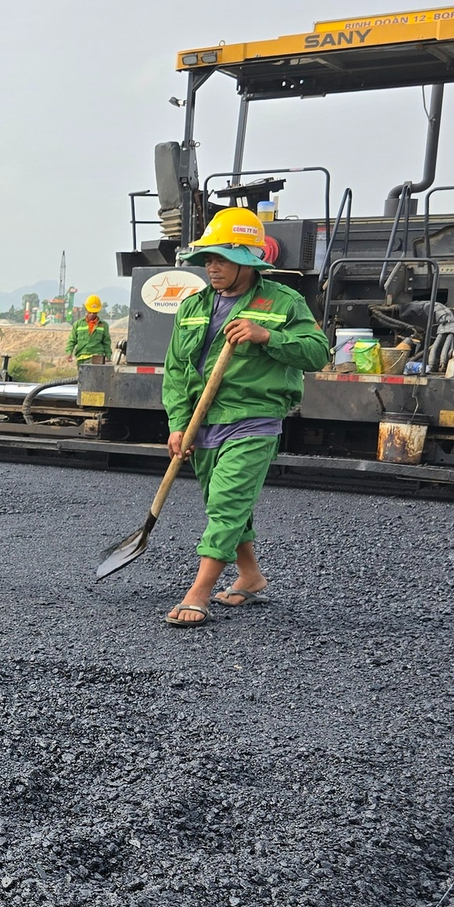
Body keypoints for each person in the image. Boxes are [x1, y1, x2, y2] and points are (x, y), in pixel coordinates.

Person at [160, 207, 329, 628]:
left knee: (226, 502)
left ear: (246, 259)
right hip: (203, 419)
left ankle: (197, 594)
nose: (211, 268)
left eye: (220, 259)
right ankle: (251, 576)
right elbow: (178, 370)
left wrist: (267, 335)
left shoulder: (283, 302)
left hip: (254, 417)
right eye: (208, 259)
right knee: (225, 505)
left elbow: (317, 353)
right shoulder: (194, 306)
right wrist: (179, 424)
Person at [68, 294, 111, 364]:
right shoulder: (78, 324)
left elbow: (106, 342)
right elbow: (72, 340)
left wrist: (108, 356)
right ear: (86, 309)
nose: (92, 314)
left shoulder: (103, 325)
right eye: (90, 312)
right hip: (81, 359)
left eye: (94, 313)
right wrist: (69, 353)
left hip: (97, 358)